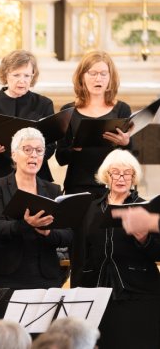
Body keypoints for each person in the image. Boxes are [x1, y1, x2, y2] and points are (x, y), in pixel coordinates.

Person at [0, 128, 72, 319]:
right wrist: (26, 224)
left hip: (44, 277)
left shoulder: (53, 189)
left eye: (39, 151)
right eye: (27, 149)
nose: (34, 155)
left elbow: (68, 234)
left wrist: (48, 233)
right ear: (14, 154)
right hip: (5, 276)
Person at [72, 149, 160, 348]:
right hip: (98, 293)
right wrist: (77, 293)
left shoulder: (144, 208)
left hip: (139, 293)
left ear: (133, 177)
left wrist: (144, 239)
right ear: (106, 176)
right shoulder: (89, 209)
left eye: (127, 173)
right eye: (115, 172)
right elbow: (79, 254)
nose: (121, 178)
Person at [0, 50, 56, 227]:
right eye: (16, 75)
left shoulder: (44, 104)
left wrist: (34, 155)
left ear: (33, 76)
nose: (22, 80)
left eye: (26, 75)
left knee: (35, 232)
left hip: (35, 179)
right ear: (5, 74)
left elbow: (51, 145)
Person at [56, 50, 132, 198]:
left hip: (113, 186)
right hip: (78, 186)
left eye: (104, 74)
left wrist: (125, 143)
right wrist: (74, 149)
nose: (99, 79)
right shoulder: (68, 111)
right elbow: (60, 158)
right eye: (93, 73)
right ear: (82, 77)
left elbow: (131, 156)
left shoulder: (122, 109)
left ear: (111, 78)